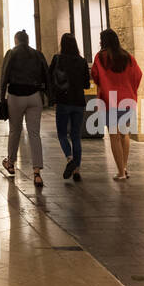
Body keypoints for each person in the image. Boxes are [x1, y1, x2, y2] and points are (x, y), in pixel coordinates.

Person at [0, 30, 49, 188]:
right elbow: (46, 74)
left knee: (15, 130)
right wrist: (48, 95)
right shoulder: (37, 54)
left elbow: (5, 75)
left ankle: (11, 163)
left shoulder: (11, 53)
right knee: (34, 134)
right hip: (34, 96)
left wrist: (2, 97)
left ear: (16, 40)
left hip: (16, 96)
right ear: (27, 40)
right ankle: (37, 173)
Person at [92, 28, 142, 181]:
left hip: (110, 100)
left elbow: (95, 76)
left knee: (114, 136)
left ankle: (120, 172)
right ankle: (124, 167)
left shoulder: (101, 57)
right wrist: (131, 90)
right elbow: (138, 74)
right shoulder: (127, 56)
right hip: (128, 99)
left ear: (104, 41)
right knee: (124, 134)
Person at [50, 33, 91, 182]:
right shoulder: (82, 61)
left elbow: (50, 79)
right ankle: (77, 170)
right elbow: (86, 84)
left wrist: (52, 97)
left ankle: (69, 158)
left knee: (62, 134)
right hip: (79, 102)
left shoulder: (57, 59)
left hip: (63, 101)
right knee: (76, 136)